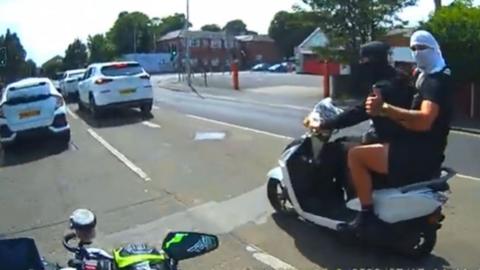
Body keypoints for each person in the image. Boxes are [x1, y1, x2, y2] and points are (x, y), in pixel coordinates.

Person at [339, 30, 453, 234]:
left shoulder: (434, 82)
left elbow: (425, 121)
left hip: (417, 153)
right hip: (424, 149)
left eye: (422, 48)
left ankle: (365, 216)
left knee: (355, 155)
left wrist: (384, 109)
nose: (417, 53)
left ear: (434, 49)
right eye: (414, 48)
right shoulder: (424, 75)